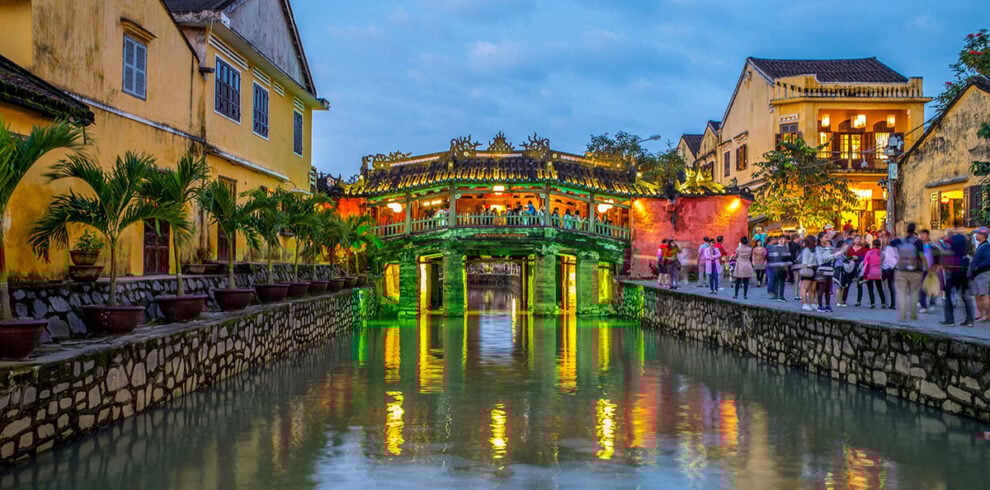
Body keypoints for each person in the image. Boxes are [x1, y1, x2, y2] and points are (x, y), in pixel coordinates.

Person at [894, 223, 926, 322]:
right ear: (914, 231)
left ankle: (902, 316)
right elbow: (921, 255)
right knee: (914, 293)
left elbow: (889, 245)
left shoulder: (899, 241)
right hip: (915, 270)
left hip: (901, 270)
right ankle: (913, 314)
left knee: (901, 293)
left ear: (906, 230)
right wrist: (926, 266)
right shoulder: (919, 242)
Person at [941, 232, 975, 327]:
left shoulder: (953, 250)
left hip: (953, 272)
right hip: (963, 272)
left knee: (948, 294)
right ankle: (970, 320)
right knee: (965, 296)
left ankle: (949, 320)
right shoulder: (965, 253)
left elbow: (945, 249)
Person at [814, 233, 840, 312]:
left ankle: (828, 305)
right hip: (822, 270)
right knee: (821, 288)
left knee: (828, 289)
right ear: (820, 239)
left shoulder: (828, 248)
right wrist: (832, 255)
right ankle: (820, 305)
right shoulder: (818, 248)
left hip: (830, 270)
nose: (827, 239)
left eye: (828, 237)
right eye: (825, 237)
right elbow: (822, 259)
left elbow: (833, 258)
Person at [970, 227, 990, 321]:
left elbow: (988, 260)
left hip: (983, 273)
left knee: (984, 295)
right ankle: (980, 314)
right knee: (978, 295)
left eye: (978, 233)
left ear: (983, 235)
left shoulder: (986, 246)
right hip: (977, 274)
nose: (976, 235)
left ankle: (987, 315)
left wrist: (978, 266)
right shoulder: (981, 245)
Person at [861, 239, 886, 309]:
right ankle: (883, 302)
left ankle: (872, 303)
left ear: (873, 245)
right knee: (880, 288)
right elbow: (883, 261)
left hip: (870, 272)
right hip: (878, 272)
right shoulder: (882, 253)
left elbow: (865, 262)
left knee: (870, 288)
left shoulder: (869, 252)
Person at [797, 235, 818, 311]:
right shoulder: (806, 250)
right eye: (814, 241)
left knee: (812, 288)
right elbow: (805, 262)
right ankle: (804, 303)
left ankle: (812, 303)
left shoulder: (814, 250)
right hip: (808, 269)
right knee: (804, 287)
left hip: (814, 269)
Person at [766, 236, 791, 301]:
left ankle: (779, 295)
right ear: (779, 240)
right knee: (778, 282)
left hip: (780, 267)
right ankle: (779, 296)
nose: (783, 241)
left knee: (780, 282)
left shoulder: (785, 248)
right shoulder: (778, 248)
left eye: (784, 239)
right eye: (782, 239)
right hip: (778, 267)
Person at [918, 229, 935, 313]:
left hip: (931, 270)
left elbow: (936, 258)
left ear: (928, 236)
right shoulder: (918, 246)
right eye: (921, 234)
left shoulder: (931, 246)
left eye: (924, 234)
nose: (922, 236)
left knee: (931, 287)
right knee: (922, 288)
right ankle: (923, 306)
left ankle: (932, 302)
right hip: (922, 269)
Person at [882, 237, 898, 310]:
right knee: (891, 286)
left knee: (888, 286)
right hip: (891, 268)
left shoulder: (889, 249)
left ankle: (887, 302)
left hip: (888, 269)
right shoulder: (894, 249)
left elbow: (884, 258)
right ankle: (891, 303)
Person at [788, 234, 802, 300]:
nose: (800, 239)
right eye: (799, 237)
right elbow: (794, 256)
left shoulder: (791, 244)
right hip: (796, 264)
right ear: (796, 238)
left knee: (797, 280)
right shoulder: (795, 246)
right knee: (797, 280)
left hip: (794, 264)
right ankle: (796, 295)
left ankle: (797, 294)